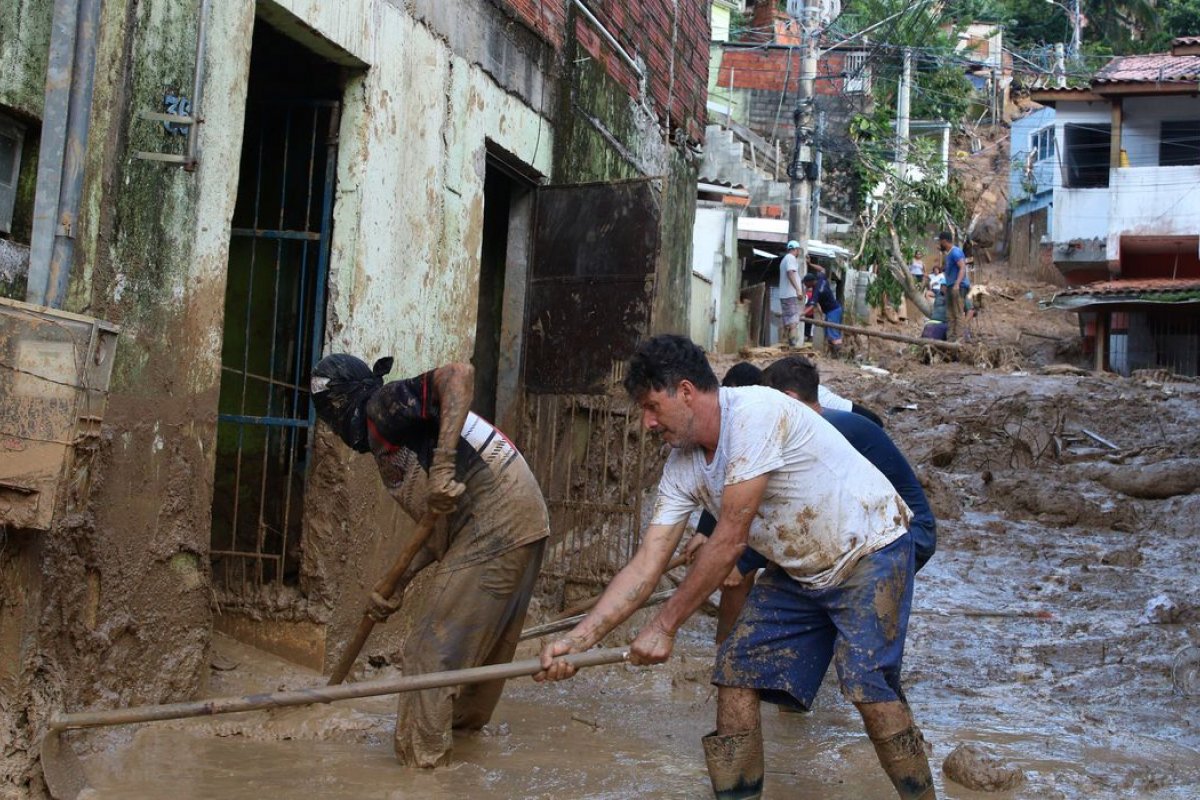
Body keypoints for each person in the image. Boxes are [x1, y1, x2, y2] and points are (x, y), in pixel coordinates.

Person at [536, 335, 935, 800]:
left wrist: (664, 627)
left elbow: (729, 541)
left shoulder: (753, 413)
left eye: (651, 407)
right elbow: (647, 563)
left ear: (686, 392)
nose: (647, 422)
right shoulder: (682, 467)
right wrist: (578, 641)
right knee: (735, 670)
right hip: (801, 569)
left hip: (872, 548)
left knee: (867, 685)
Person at [310, 355, 549, 768]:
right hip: (522, 518)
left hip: (496, 517)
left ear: (341, 404)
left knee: (427, 651)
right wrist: (398, 583)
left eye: (330, 417)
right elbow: (440, 529)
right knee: (480, 653)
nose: (333, 429)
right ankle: (464, 752)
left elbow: (458, 374)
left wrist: (441, 467)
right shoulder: (395, 437)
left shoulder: (381, 407)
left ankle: (424, 772)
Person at [936, 232, 970, 342]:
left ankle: (959, 340)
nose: (939, 243)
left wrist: (957, 283)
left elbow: (962, 268)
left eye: (940, 241)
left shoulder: (956, 252)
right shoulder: (949, 254)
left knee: (958, 314)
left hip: (958, 287)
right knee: (950, 315)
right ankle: (950, 340)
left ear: (944, 241)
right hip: (951, 287)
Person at [801, 271, 843, 356]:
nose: (805, 285)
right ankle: (833, 355)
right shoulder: (821, 279)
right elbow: (822, 269)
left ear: (810, 282)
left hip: (833, 311)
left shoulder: (817, 291)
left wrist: (800, 314)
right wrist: (810, 264)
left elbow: (812, 306)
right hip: (833, 310)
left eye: (805, 283)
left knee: (833, 334)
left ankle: (839, 355)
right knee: (829, 333)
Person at [778, 240, 804, 347]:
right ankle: (793, 344)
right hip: (790, 294)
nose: (798, 252)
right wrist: (798, 289)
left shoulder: (785, 259)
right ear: (795, 249)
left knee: (787, 320)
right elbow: (790, 273)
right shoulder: (790, 258)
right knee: (793, 320)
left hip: (785, 294)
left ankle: (786, 343)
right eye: (798, 250)